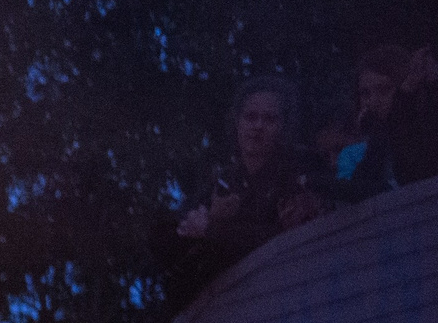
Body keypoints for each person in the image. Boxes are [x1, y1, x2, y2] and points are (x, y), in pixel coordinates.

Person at [158, 76, 324, 299]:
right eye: (250, 117)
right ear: (237, 122)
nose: (258, 126)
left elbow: (284, 239)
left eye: (269, 119)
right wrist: (208, 220)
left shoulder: (299, 170)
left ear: (283, 126)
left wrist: (214, 229)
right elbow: (177, 234)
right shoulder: (225, 180)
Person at [330, 44, 438, 202]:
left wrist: (401, 108)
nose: (372, 102)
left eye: (384, 90)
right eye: (365, 93)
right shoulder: (361, 150)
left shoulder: (428, 135)